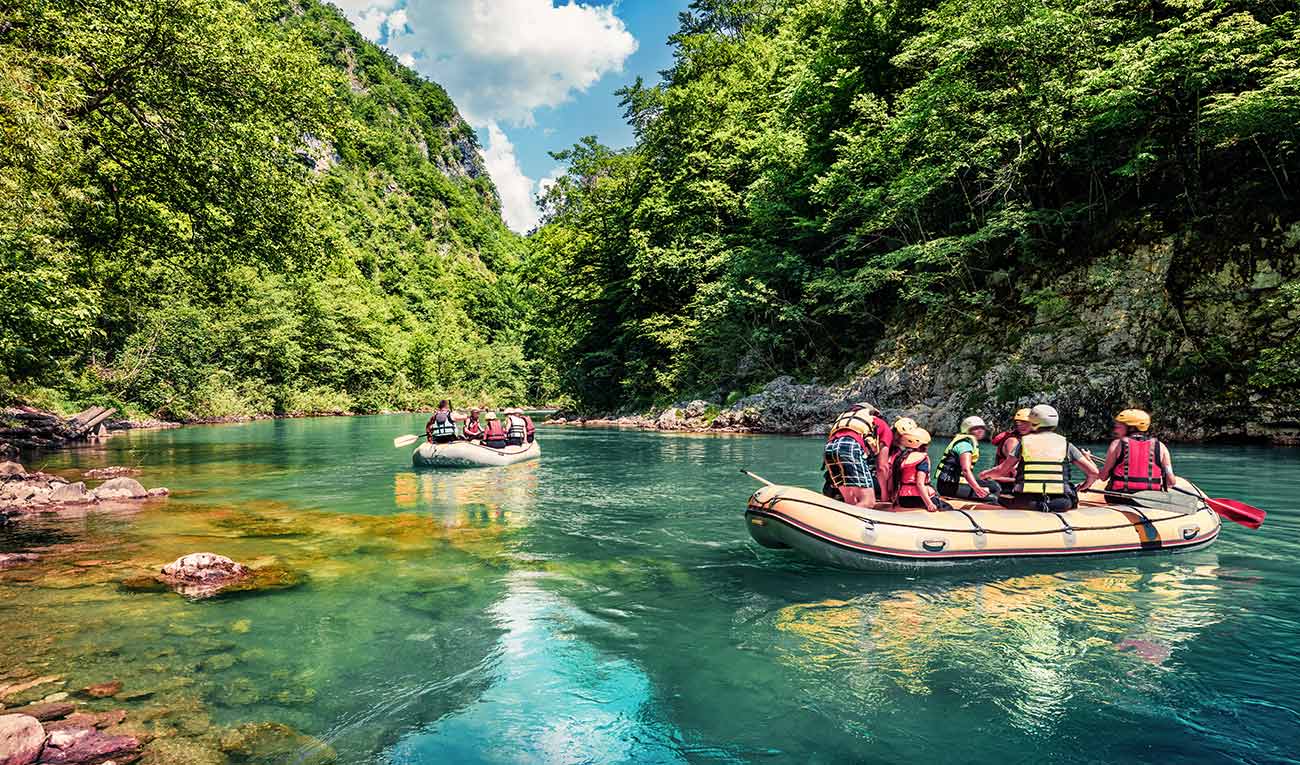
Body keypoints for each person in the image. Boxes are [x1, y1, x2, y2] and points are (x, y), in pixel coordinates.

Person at [982, 404, 1099, 512]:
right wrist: (1085, 485)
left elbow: (1002, 470)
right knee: (1071, 494)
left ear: (1032, 422)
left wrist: (985, 475)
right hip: (1061, 503)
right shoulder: (1066, 444)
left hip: (1027, 502)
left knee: (1001, 499)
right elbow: (1093, 472)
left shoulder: (1023, 444)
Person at [821, 402, 893, 507]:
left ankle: (846, 517)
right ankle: (850, 521)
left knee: (850, 501)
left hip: (829, 450)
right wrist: (885, 497)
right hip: (850, 447)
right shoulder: (880, 424)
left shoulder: (844, 421)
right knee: (868, 501)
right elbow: (882, 467)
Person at [1098, 409, 1177, 496]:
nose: (1115, 431)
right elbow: (1171, 482)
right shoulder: (1161, 447)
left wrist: (1089, 462)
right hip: (1151, 499)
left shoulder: (1117, 444)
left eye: (1119, 427)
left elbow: (1103, 477)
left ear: (1132, 428)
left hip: (1119, 497)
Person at [936, 416, 1001, 501]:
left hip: (956, 483)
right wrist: (977, 488)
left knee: (994, 486)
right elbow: (966, 470)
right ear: (967, 430)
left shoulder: (968, 443)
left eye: (982, 428)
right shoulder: (964, 445)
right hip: (948, 486)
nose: (980, 430)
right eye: (976, 428)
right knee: (992, 498)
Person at [891, 428, 950, 512]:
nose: (927, 447)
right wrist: (929, 504)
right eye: (925, 445)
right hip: (918, 498)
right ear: (920, 445)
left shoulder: (899, 458)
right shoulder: (922, 459)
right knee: (948, 508)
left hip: (903, 499)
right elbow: (919, 483)